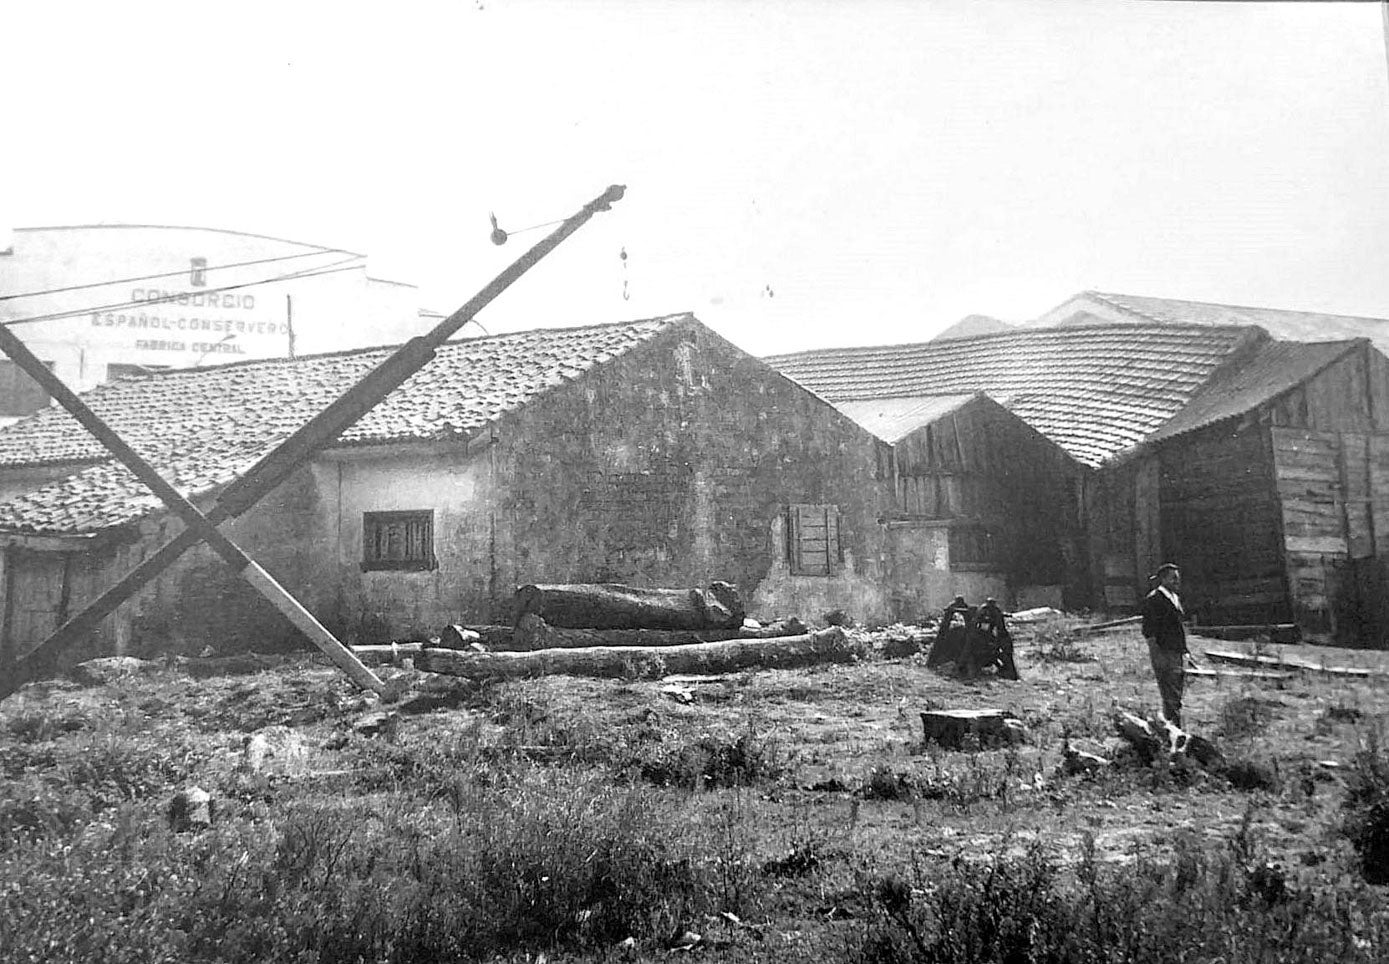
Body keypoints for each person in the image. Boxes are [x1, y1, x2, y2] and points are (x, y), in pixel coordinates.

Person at [1141, 563, 1188, 727]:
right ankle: (1173, 730)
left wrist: (1185, 652)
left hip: (1176, 652)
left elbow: (1178, 629)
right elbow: (1149, 631)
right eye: (1173, 578)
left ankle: (1173, 728)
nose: (1177, 581)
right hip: (1164, 652)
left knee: (1176, 692)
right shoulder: (1154, 599)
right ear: (1163, 579)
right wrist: (1156, 655)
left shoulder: (1175, 598)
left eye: (1178, 578)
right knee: (1169, 694)